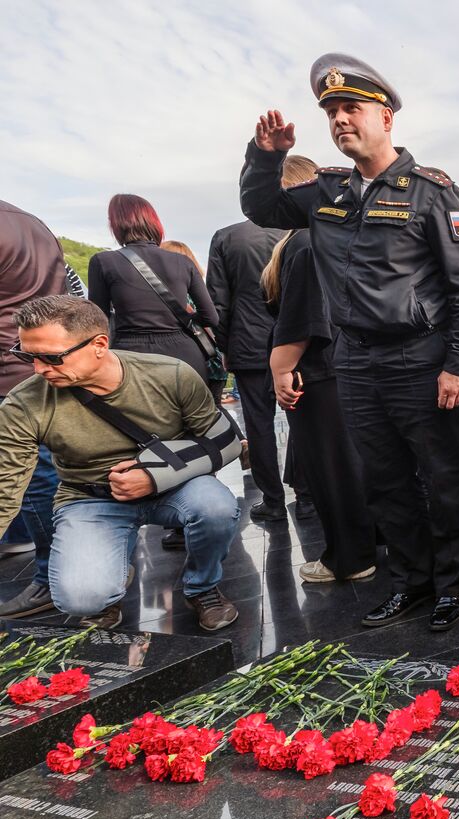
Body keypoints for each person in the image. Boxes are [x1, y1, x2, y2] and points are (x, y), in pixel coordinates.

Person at [241, 53, 459, 633]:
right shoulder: (324, 191)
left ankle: (452, 586)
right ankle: (410, 582)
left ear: (386, 118)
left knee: (443, 477)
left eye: (352, 108)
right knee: (383, 480)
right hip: (354, 360)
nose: (340, 120)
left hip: (421, 357)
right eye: (331, 111)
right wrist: (266, 155)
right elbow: (259, 206)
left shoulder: (432, 191)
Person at [0, 294, 242, 631]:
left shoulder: (170, 375)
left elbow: (227, 441)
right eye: (27, 355)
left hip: (177, 488)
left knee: (215, 506)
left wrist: (155, 477)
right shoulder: (24, 402)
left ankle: (202, 587)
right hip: (90, 498)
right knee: (80, 599)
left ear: (99, 344)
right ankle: (107, 585)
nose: (39, 369)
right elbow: (5, 485)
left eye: (51, 357)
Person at [262, 155, 377, 584]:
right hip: (338, 367)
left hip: (318, 371)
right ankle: (364, 545)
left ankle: (349, 556)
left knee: (332, 470)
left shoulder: (305, 242)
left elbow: (302, 317)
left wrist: (280, 367)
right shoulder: (324, 238)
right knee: (349, 464)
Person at [206, 210, 297, 521]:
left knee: (259, 427)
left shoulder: (226, 237)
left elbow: (218, 301)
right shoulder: (295, 229)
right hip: (295, 340)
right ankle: (309, 495)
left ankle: (272, 500)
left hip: (249, 342)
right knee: (304, 423)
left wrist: (225, 347)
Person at [0, 200, 67, 619]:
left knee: (34, 474)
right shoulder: (29, 221)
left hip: (10, 366)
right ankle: (25, 540)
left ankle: (51, 576)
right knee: (41, 468)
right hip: (44, 361)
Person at [88, 195, 223, 394]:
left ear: (116, 224)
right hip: (185, 357)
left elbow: (98, 320)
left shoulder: (103, 261)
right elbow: (211, 317)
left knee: (140, 422)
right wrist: (185, 318)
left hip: (132, 356)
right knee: (191, 421)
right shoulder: (182, 262)